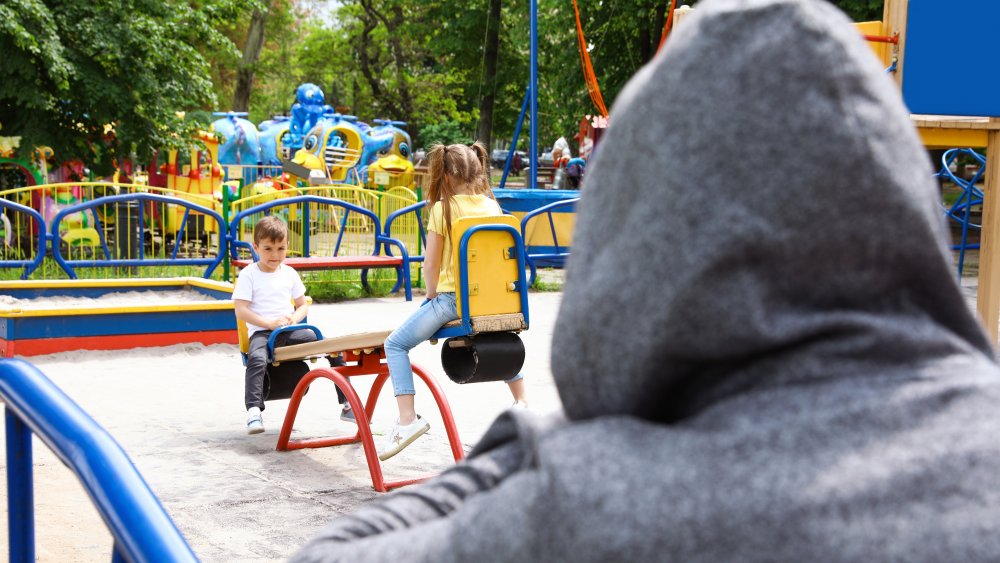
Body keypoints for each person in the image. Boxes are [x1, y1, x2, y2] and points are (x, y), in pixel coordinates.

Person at [291, 0, 1000, 560]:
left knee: (396, 343)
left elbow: (331, 553)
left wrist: (535, 449)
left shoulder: (588, 506)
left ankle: (410, 419)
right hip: (496, 309)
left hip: (459, 314)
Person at [377, 142, 528, 461]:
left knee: (395, 344)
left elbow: (430, 265)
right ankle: (522, 403)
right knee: (497, 332)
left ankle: (407, 421)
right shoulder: (492, 208)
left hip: (454, 301)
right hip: (497, 300)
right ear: (478, 169)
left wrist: (430, 296)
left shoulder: (441, 210)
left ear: (444, 175)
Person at [233, 215, 353, 435]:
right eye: (268, 249)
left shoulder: (289, 273)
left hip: (288, 331)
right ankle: (253, 411)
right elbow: (241, 310)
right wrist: (268, 322)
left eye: (281, 249)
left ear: (287, 246)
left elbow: (302, 305)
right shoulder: (249, 274)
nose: (275, 255)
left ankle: (347, 404)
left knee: (332, 347)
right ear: (256, 247)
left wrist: (294, 319)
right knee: (257, 358)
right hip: (262, 331)